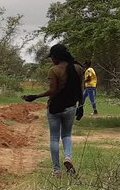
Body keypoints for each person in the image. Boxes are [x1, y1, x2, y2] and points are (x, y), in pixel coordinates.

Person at [24, 43, 84, 177]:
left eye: (52, 57)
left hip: (54, 107)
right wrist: (81, 106)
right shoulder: (78, 68)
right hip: (71, 107)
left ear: (57, 57)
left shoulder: (54, 70)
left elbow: (53, 90)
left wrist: (35, 96)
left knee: (54, 138)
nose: (52, 59)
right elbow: (81, 90)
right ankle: (68, 157)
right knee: (67, 135)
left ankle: (56, 170)